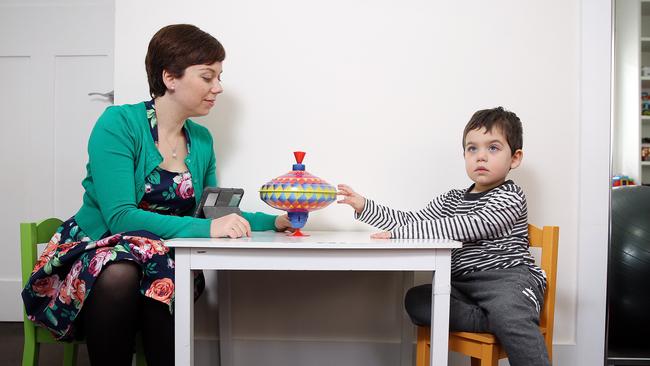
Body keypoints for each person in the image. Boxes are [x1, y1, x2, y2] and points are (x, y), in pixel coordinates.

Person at [21, 24, 292, 366]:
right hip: (98, 256)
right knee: (122, 273)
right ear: (169, 78)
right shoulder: (118, 124)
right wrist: (209, 230)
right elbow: (120, 217)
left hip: (164, 261)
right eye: (208, 77)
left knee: (164, 274)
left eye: (219, 77)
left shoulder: (202, 140)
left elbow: (210, 214)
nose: (218, 88)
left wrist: (278, 220)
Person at [337, 107, 550, 366]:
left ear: (514, 158)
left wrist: (400, 234)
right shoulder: (452, 199)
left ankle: (502, 317)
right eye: (472, 149)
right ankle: (491, 319)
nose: (481, 156)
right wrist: (364, 206)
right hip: (461, 286)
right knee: (417, 299)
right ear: (464, 155)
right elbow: (414, 222)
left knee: (510, 312)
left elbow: (469, 225)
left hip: (508, 279)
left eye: (493, 148)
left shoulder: (510, 195)